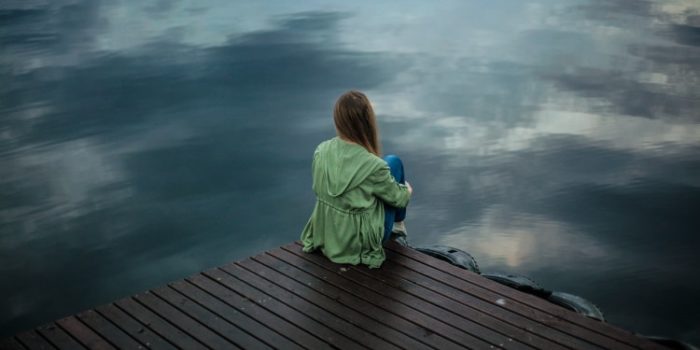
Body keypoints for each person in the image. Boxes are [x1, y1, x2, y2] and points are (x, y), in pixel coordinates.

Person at [300, 90, 413, 269]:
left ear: (338, 120)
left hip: (329, 234)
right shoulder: (374, 166)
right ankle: (398, 226)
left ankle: (396, 225)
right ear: (368, 121)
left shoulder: (321, 150)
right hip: (357, 243)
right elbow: (400, 200)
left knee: (387, 167)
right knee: (393, 162)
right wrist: (407, 190)